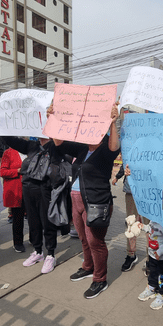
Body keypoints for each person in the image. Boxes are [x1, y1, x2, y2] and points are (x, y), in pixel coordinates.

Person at [50, 102, 120, 299]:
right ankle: (88, 267)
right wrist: (54, 117)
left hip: (96, 202)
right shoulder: (81, 148)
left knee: (95, 241)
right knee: (83, 238)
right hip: (76, 201)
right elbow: (58, 143)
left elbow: (115, 147)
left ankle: (100, 279)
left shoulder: (106, 148)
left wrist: (114, 122)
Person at [2, 135, 60, 274]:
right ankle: (38, 251)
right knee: (33, 222)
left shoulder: (55, 146)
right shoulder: (32, 146)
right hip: (27, 189)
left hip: (45, 190)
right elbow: (10, 139)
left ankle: (51, 254)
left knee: (47, 222)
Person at [137, 220, 163, 310]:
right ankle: (152, 287)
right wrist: (143, 226)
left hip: (162, 256)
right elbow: (150, 228)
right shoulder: (153, 219)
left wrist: (160, 251)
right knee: (153, 271)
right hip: (152, 253)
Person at [0, 145, 27, 253]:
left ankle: (35, 239)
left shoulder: (31, 151)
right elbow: (3, 172)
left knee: (34, 217)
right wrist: (18, 170)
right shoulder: (8, 152)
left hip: (31, 189)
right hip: (16, 190)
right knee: (18, 218)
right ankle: (18, 242)